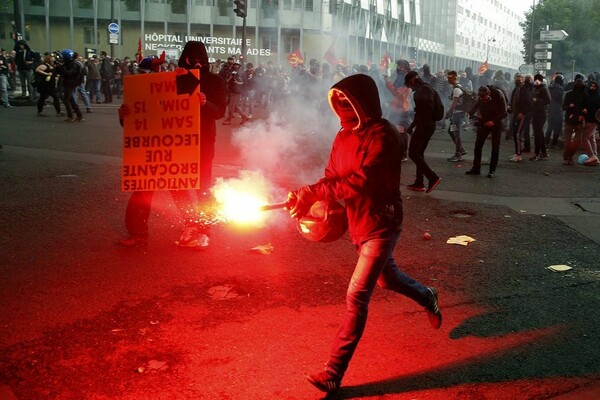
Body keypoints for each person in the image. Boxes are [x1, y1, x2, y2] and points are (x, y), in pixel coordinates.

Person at [286, 73, 442, 394]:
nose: (343, 108)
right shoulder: (342, 136)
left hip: (382, 222)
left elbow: (362, 181)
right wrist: (307, 201)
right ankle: (427, 296)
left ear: (364, 103)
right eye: (338, 102)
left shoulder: (384, 135)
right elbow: (332, 177)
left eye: (349, 101)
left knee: (357, 295)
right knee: (388, 279)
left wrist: (313, 192)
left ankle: (333, 372)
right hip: (359, 223)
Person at [176, 40, 227, 248]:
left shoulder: (215, 81)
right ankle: (190, 223)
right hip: (178, 140)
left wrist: (206, 103)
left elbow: (220, 112)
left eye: (199, 59)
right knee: (178, 185)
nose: (195, 63)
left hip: (203, 140)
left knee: (202, 186)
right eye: (191, 58)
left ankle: (205, 229)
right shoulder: (176, 79)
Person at [405, 70, 442, 193]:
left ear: (412, 81)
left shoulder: (422, 91)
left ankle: (432, 177)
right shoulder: (427, 88)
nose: (410, 88)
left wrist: (414, 125)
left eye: (409, 85)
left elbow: (425, 110)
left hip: (425, 126)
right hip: (428, 125)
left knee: (413, 153)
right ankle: (419, 182)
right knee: (419, 153)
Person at [465, 85, 507, 178]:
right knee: (478, 145)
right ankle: (476, 168)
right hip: (484, 122)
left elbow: (504, 111)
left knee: (495, 147)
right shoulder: (480, 98)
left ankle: (492, 170)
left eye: (485, 98)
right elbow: (475, 107)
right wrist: (469, 113)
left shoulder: (498, 95)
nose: (483, 100)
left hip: (496, 122)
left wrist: (493, 121)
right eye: (481, 98)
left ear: (489, 94)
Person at [561, 76, 587, 165]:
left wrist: (584, 113)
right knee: (568, 142)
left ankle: (569, 156)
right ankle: (566, 157)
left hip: (579, 122)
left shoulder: (585, 95)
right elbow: (563, 107)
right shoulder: (569, 94)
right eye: (577, 85)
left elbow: (587, 108)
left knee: (577, 141)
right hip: (569, 120)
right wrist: (569, 106)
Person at [507, 73, 532, 162]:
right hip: (515, 114)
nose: (517, 82)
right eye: (516, 80)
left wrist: (522, 112)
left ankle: (518, 155)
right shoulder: (515, 90)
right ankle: (517, 152)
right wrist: (510, 106)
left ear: (522, 80)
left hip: (522, 115)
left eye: (519, 80)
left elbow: (528, 103)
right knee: (515, 134)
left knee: (517, 134)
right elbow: (512, 100)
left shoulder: (525, 90)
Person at [54, 49, 84, 123]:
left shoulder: (74, 64)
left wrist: (61, 66)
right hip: (68, 83)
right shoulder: (69, 63)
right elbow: (59, 72)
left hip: (70, 83)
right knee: (71, 100)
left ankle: (70, 116)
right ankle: (79, 115)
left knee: (66, 100)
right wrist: (58, 66)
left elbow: (68, 73)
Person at [445, 70, 468, 162]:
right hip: (457, 114)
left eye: (450, 78)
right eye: (448, 77)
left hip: (457, 115)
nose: (448, 80)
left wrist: (448, 113)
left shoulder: (457, 89)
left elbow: (454, 104)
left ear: (455, 78)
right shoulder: (457, 87)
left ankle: (458, 154)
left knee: (456, 134)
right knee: (451, 131)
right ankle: (461, 149)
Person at [34, 52, 63, 117]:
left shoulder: (52, 66)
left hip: (51, 85)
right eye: (52, 57)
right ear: (49, 58)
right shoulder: (44, 65)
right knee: (43, 98)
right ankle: (40, 112)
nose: (54, 58)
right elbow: (37, 70)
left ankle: (58, 112)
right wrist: (46, 74)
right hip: (45, 85)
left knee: (55, 97)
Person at [529, 73, 551, 161]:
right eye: (535, 79)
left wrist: (537, 100)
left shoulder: (544, 89)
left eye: (538, 79)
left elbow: (548, 100)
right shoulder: (534, 88)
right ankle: (544, 152)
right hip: (534, 113)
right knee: (539, 134)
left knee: (538, 134)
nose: (536, 81)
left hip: (541, 114)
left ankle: (537, 153)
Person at [581, 81, 600, 165]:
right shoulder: (589, 95)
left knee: (585, 138)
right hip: (593, 120)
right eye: (591, 86)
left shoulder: (596, 96)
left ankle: (592, 156)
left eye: (594, 86)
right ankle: (595, 156)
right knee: (591, 138)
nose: (592, 88)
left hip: (592, 120)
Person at [545, 74, 565, 149]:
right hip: (557, 110)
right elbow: (561, 99)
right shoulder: (560, 89)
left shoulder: (550, 87)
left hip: (551, 109)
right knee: (557, 128)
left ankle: (546, 143)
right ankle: (554, 144)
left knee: (549, 127)